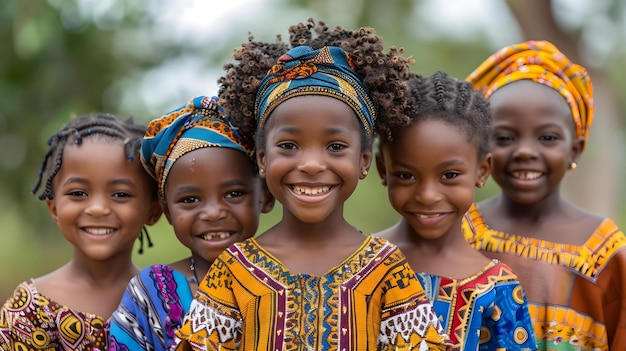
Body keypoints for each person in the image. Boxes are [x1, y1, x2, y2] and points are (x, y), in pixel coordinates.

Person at [174, 19, 450, 351]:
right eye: (288, 146)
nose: (311, 164)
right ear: (262, 159)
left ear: (363, 161)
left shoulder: (387, 268)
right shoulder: (233, 268)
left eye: (335, 147)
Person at [464, 40, 626, 350]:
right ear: (482, 147)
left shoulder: (604, 252)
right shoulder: (459, 232)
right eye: (505, 137)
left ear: (575, 149)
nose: (525, 151)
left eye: (547, 137)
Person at [374, 71, 537, 350]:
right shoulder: (359, 266)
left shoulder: (497, 289)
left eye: (449, 176)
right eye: (406, 176)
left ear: (482, 170)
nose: (427, 195)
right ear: (382, 170)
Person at [108, 95, 275, 351]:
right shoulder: (152, 293)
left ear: (265, 196)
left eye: (233, 194)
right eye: (190, 199)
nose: (212, 213)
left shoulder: (290, 278)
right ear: (167, 211)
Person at [0, 113, 162, 350]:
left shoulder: (165, 301)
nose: (97, 209)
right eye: (78, 193)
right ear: (54, 209)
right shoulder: (31, 308)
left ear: (152, 212)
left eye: (120, 194)